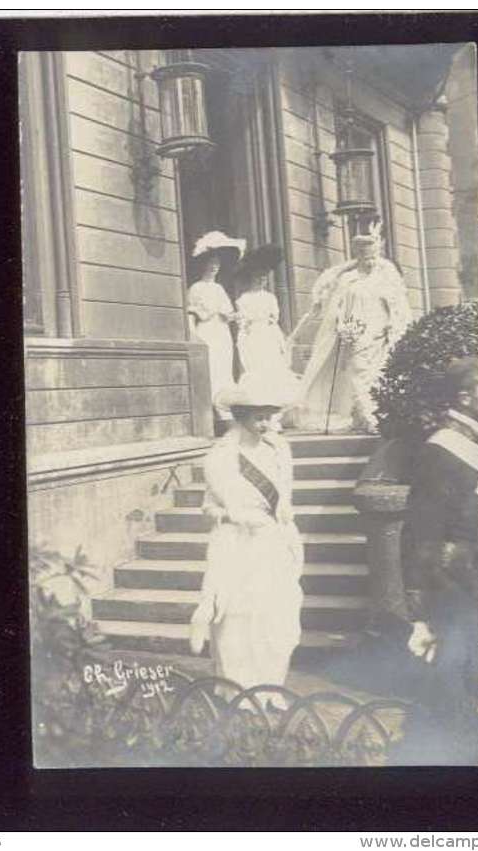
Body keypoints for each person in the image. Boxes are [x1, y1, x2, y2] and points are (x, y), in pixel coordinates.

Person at [189, 372, 304, 705]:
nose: (266, 422)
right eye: (259, 416)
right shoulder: (221, 456)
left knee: (276, 617)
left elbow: (285, 499)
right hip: (237, 544)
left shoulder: (280, 450)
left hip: (272, 542)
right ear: (240, 416)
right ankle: (239, 689)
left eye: (270, 415)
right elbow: (209, 506)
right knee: (238, 616)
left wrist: (284, 524)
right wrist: (234, 515)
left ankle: (270, 689)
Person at [400, 358, 478, 756]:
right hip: (457, 580)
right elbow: (423, 529)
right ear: (465, 397)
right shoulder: (441, 449)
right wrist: (421, 603)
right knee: (459, 666)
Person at [296, 228, 411, 433]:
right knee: (359, 373)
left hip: (380, 335)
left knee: (377, 375)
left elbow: (396, 307)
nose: (371, 262)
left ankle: (369, 415)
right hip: (357, 333)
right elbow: (342, 307)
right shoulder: (348, 280)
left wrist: (394, 328)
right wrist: (344, 327)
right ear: (358, 256)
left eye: (374, 257)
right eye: (366, 257)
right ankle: (369, 417)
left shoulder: (385, 278)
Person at [187, 231, 247, 427]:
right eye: (211, 264)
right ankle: (215, 413)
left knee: (223, 369)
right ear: (203, 265)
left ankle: (226, 408)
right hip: (207, 332)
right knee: (211, 368)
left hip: (222, 334)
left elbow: (228, 313)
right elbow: (191, 314)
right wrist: (194, 337)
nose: (214, 267)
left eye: (217, 265)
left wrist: (235, 316)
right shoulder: (196, 288)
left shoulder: (220, 289)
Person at [233, 244, 289, 376]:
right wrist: (243, 341)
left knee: (272, 365)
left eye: (264, 277)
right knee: (256, 366)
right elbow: (243, 325)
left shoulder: (270, 298)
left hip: (268, 336)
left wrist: (280, 341)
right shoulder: (244, 299)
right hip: (253, 336)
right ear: (251, 277)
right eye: (258, 276)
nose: (261, 280)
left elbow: (273, 321)